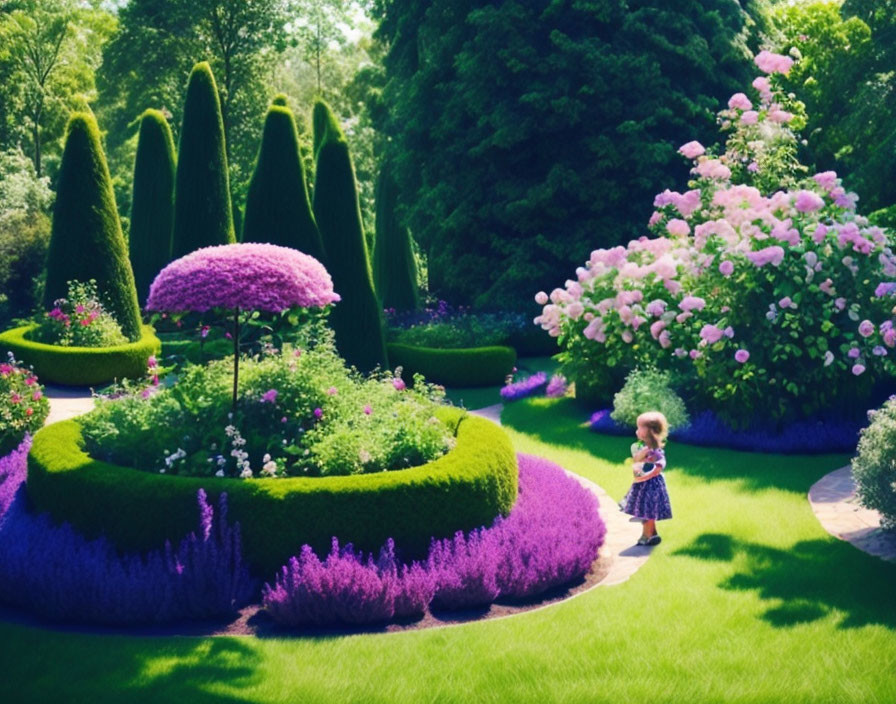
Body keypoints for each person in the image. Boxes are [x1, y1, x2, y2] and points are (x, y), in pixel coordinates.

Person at [622, 411, 672, 546]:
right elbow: (636, 462)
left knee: (647, 512)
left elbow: (660, 464)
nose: (636, 431)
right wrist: (639, 464)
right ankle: (651, 534)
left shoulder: (655, 450)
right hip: (643, 484)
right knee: (645, 511)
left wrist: (648, 475)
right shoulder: (641, 447)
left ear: (648, 431)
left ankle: (648, 536)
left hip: (651, 485)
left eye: (639, 427)